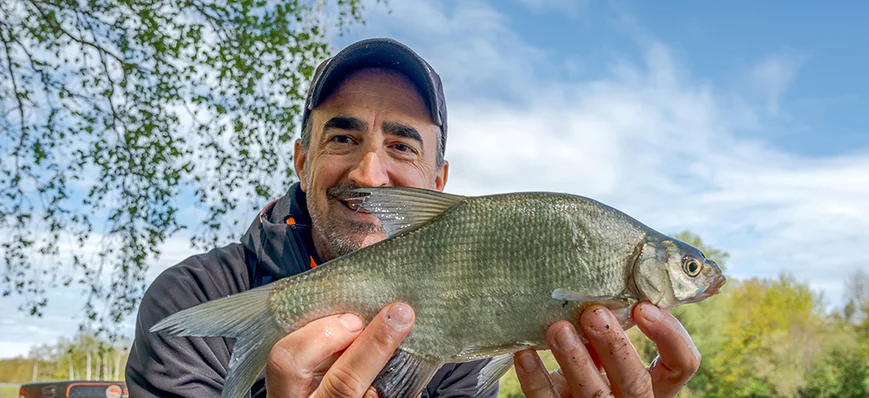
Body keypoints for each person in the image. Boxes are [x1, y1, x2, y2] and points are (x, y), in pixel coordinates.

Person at [126, 38, 701, 398]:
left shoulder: (465, 331)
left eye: (402, 147)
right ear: (302, 161)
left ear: (438, 182)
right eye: (344, 136)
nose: (370, 174)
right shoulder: (187, 299)